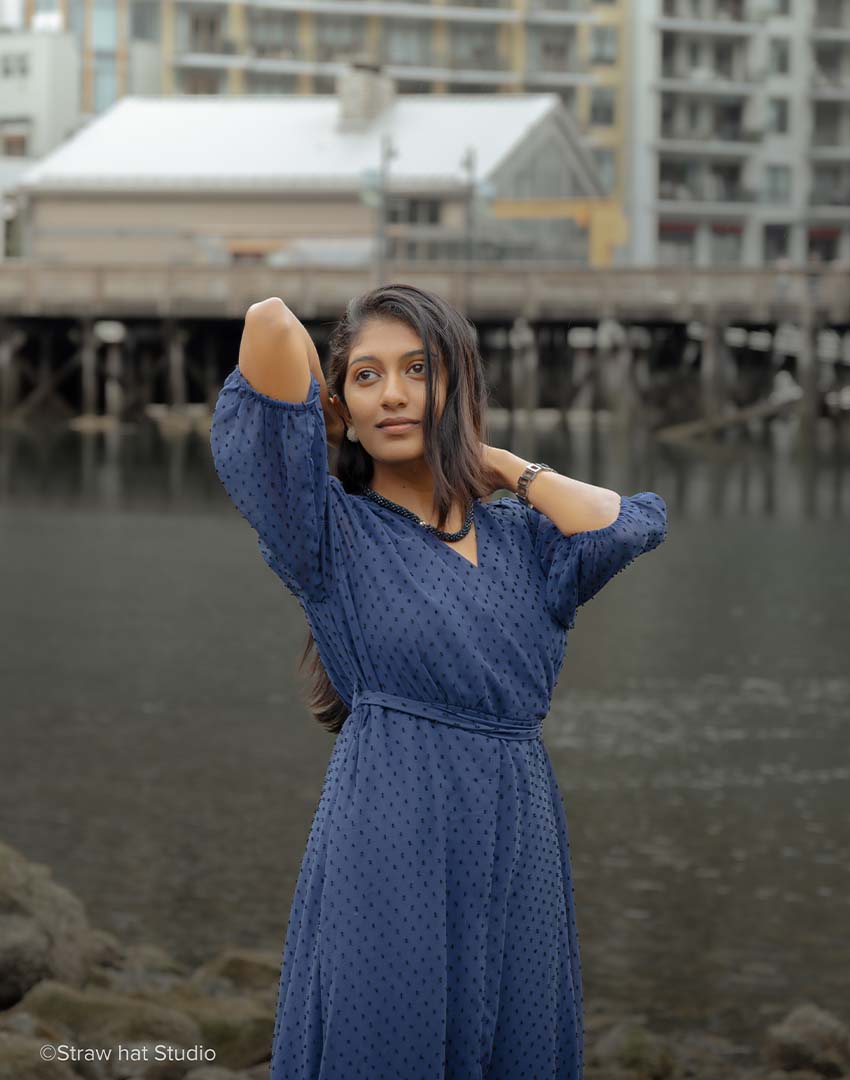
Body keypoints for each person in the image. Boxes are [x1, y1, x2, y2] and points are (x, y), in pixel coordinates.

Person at [209, 282, 668, 1080]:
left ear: (457, 384)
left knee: (517, 1045)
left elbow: (629, 523)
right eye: (367, 376)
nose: (394, 393)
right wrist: (316, 408)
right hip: (390, 826)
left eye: (419, 370)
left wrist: (496, 463)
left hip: (518, 829)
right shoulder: (326, 533)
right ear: (340, 403)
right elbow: (268, 325)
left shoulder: (527, 543)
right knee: (388, 1040)